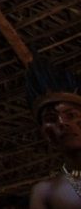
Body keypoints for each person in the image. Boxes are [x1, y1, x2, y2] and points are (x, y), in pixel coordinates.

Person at [26, 58, 81, 209]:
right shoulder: (45, 192)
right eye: (51, 119)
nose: (62, 123)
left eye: (71, 115)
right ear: (46, 134)